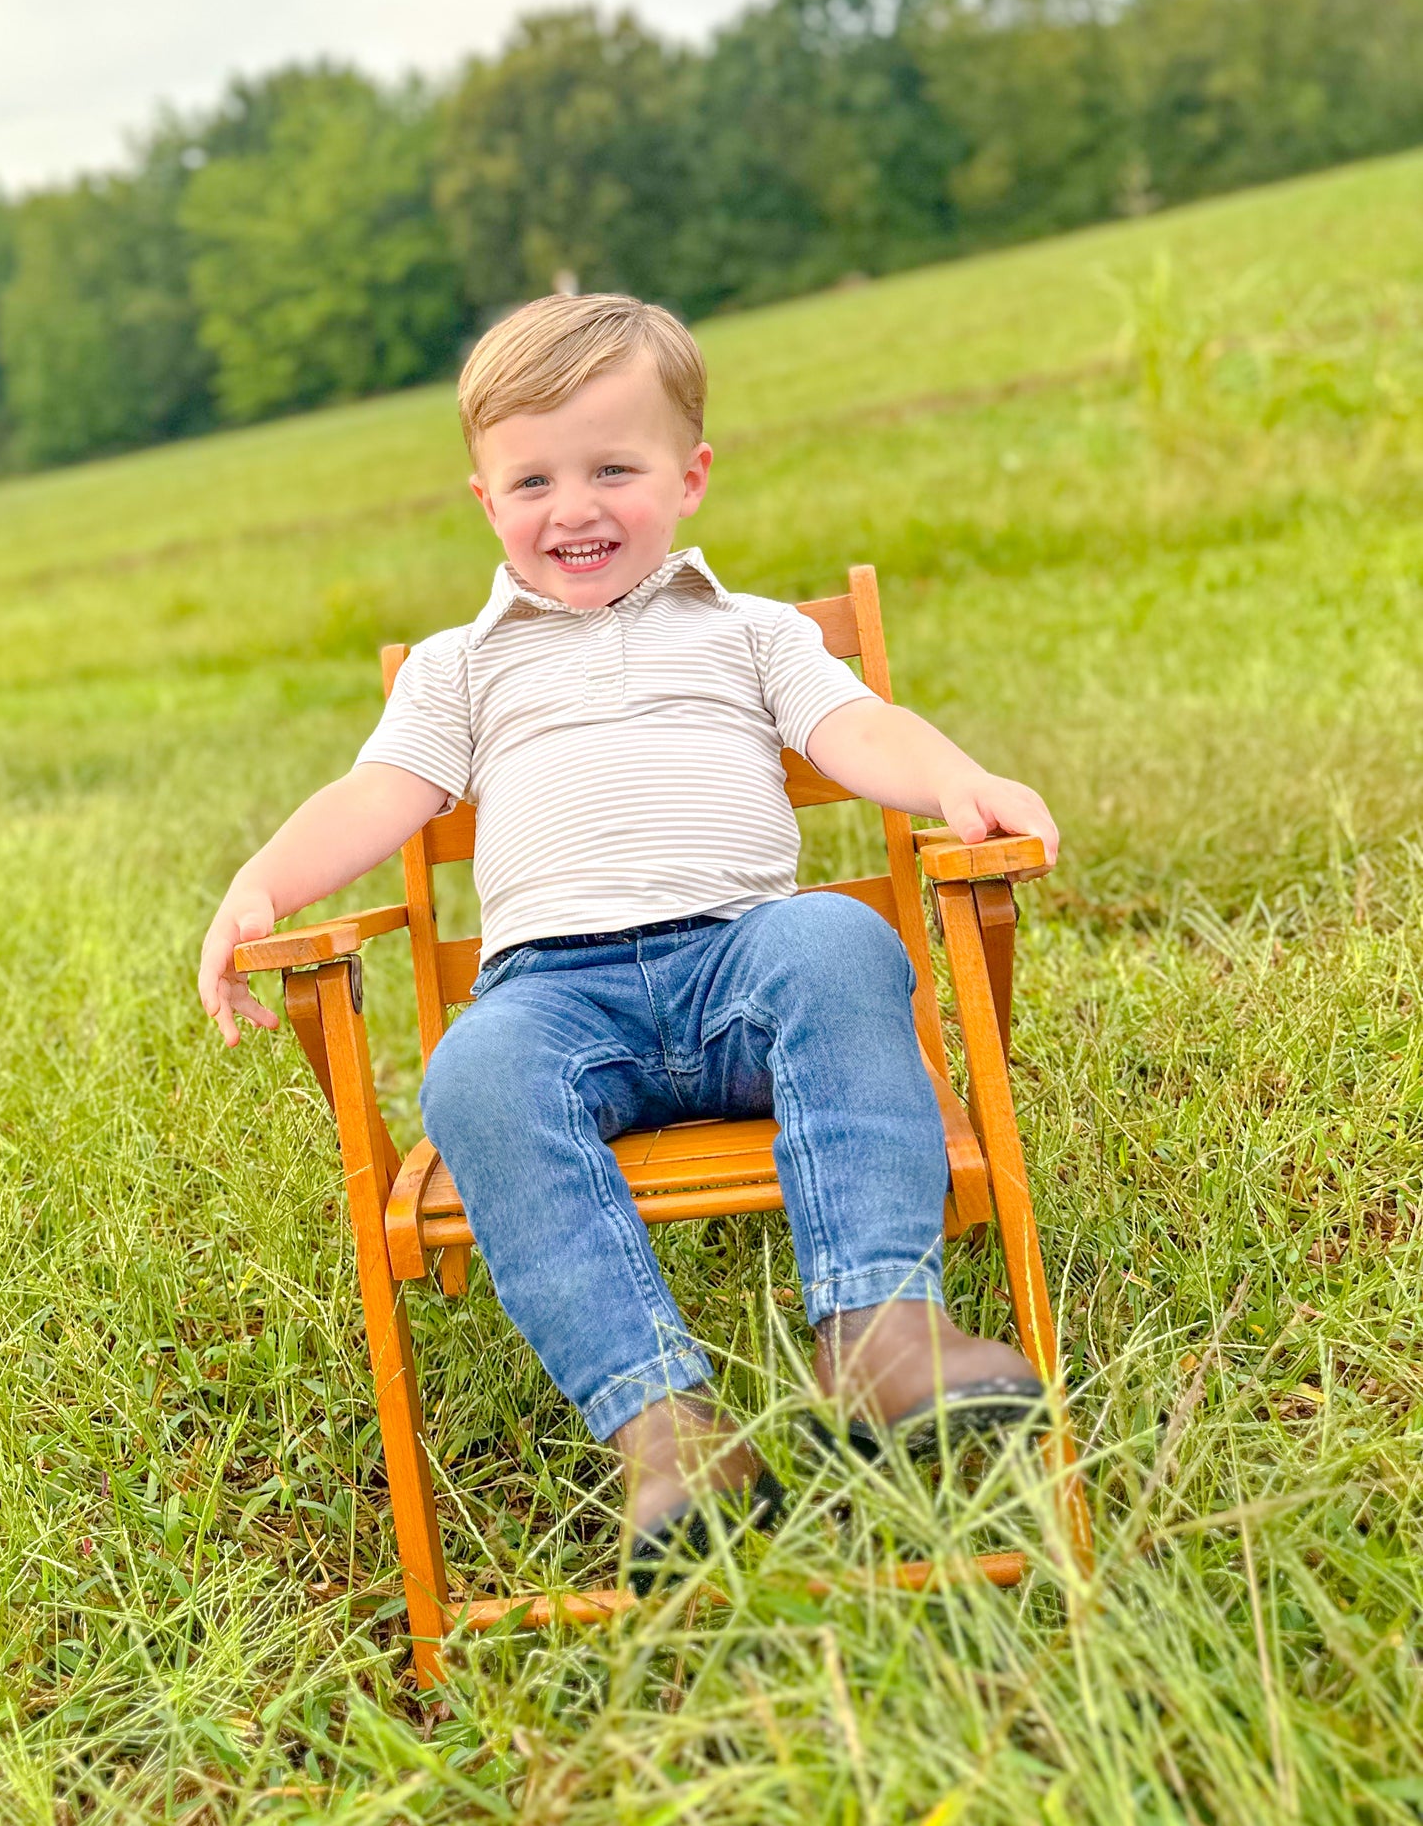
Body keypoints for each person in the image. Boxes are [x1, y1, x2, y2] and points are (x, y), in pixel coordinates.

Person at [198, 293, 1059, 1587]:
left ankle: (881, 1328)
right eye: (533, 478)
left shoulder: (751, 632)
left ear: (689, 477)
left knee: (835, 936)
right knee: (472, 1075)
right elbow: (377, 797)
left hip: (738, 965)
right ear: (486, 500)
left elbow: (854, 731)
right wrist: (260, 884)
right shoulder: (459, 668)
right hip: (558, 1000)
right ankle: (664, 1428)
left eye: (614, 468)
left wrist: (955, 783)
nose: (573, 507)